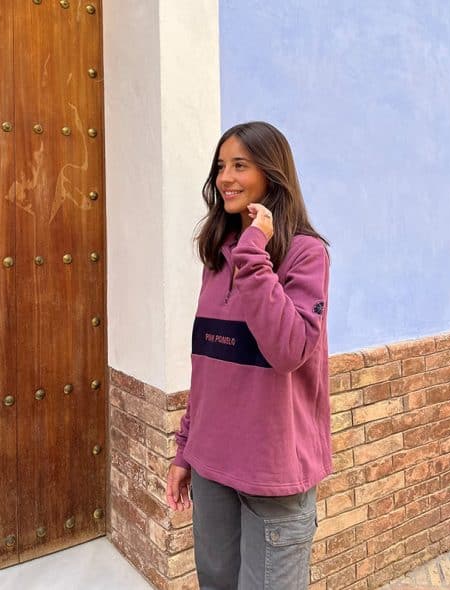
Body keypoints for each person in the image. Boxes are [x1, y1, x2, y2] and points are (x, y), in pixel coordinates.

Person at [165, 121, 331, 590]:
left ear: (271, 174)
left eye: (241, 165)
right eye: (221, 167)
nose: (226, 178)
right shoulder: (219, 256)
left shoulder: (305, 254)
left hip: (273, 473)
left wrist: (254, 250)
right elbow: (207, 371)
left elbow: (288, 350)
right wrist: (185, 451)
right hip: (212, 468)